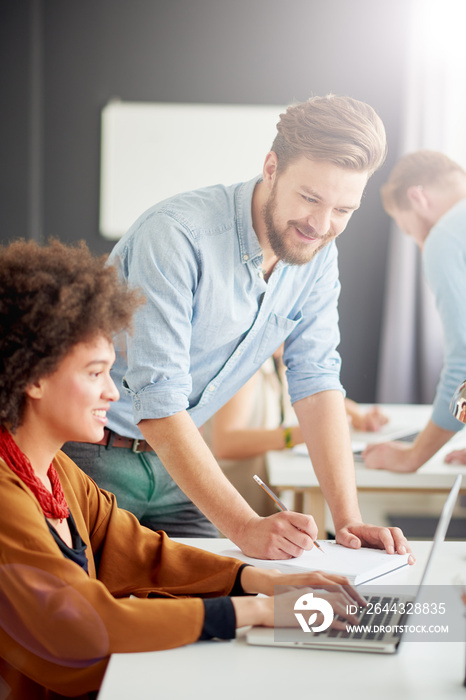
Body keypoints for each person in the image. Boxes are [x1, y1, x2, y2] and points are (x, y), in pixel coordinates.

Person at [0, 239, 366, 700]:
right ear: (32, 376)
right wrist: (254, 612)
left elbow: (139, 551)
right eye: (95, 374)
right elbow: (83, 620)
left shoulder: (58, 473)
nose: (114, 394)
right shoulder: (6, 497)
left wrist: (256, 581)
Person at [63, 94, 410, 559]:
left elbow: (317, 380)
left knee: (215, 607)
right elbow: (158, 399)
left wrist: (348, 522)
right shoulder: (176, 237)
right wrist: (245, 526)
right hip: (92, 454)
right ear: (271, 168)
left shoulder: (318, 254)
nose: (322, 225)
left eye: (344, 210)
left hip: (180, 462)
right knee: (84, 614)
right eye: (309, 198)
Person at [363, 150, 466, 472]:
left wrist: (412, 456)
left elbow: (463, 365)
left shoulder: (445, 237)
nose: (421, 245)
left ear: (417, 197)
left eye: (411, 232)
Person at [203, 351, 388, 516]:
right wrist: (296, 435)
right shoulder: (247, 368)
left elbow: (314, 395)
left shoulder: (279, 363)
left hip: (260, 503)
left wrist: (356, 415)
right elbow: (225, 443)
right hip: (232, 508)